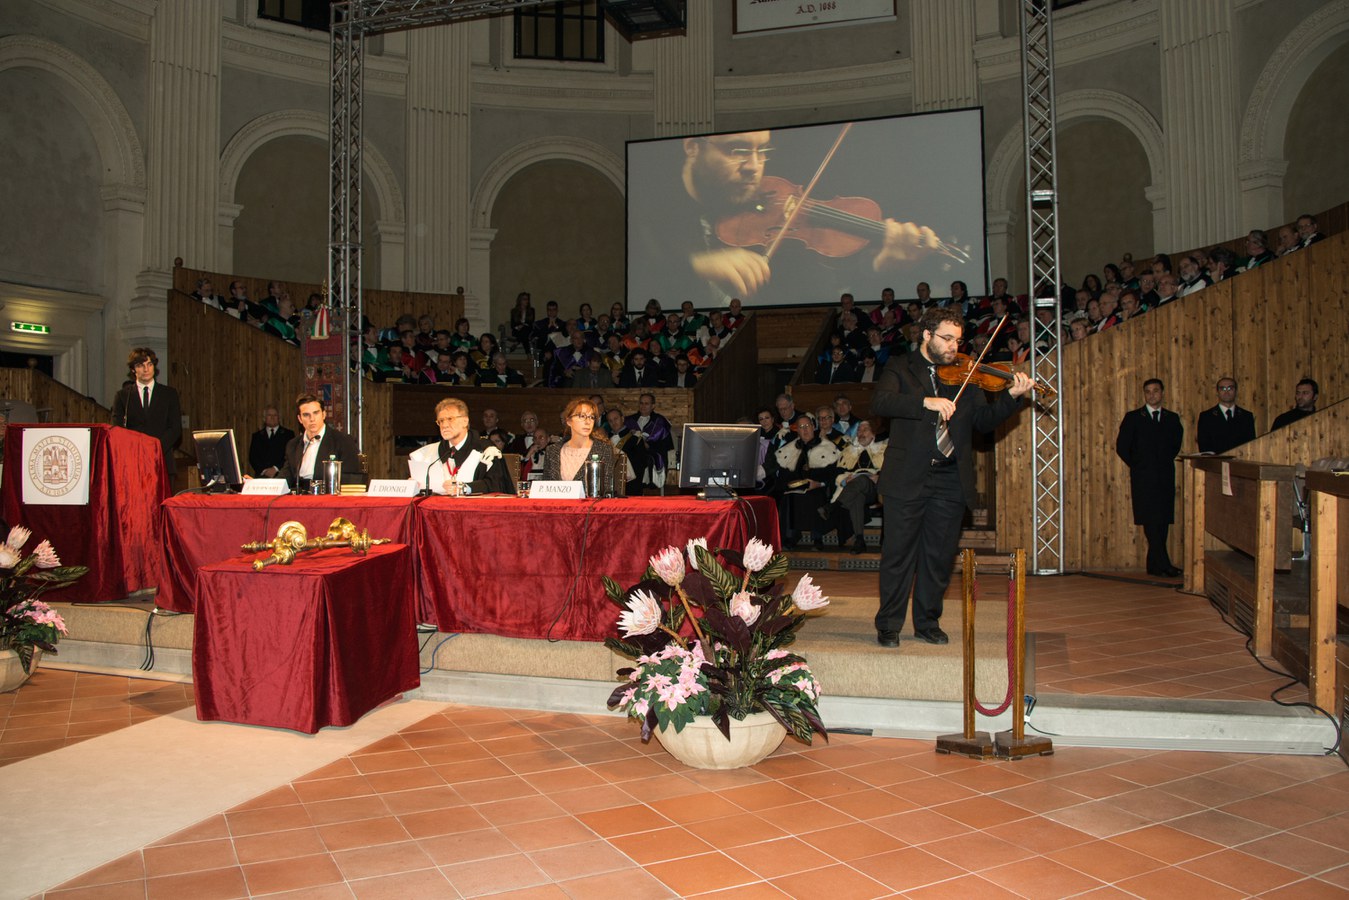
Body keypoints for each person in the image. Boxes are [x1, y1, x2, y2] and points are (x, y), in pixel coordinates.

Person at [632, 130, 944, 306]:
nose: (754, 167)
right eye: (738, 151)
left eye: (762, 152)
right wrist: (696, 265)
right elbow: (645, 268)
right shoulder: (648, 209)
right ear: (692, 147)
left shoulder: (771, 231)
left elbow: (817, 287)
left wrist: (877, 266)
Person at [871, 308, 1032, 648]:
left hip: (949, 478)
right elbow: (882, 402)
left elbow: (982, 421)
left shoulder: (966, 373)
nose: (954, 347)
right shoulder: (900, 366)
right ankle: (889, 624)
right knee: (898, 555)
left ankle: (927, 622)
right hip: (907, 476)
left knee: (939, 556)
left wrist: (1011, 398)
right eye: (946, 339)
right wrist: (925, 402)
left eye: (957, 340)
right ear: (926, 335)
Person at [1115, 378, 1184, 578]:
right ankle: (1164, 563)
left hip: (1165, 475)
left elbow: (1175, 444)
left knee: (1163, 520)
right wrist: (1139, 465)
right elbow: (1122, 447)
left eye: (1155, 391)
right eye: (1148, 391)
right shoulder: (1134, 418)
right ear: (1144, 394)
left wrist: (1161, 462)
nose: (1152, 395)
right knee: (1150, 520)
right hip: (1143, 477)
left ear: (1162, 393)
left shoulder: (1171, 418)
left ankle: (1154, 565)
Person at [408, 397, 513, 496]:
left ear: (465, 421)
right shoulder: (428, 453)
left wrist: (466, 488)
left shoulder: (486, 451)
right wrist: (414, 486)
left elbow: (496, 485)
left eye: (450, 419)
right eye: (441, 421)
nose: (444, 425)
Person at [111, 347, 183, 475]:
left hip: (162, 460)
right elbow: (117, 430)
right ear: (133, 369)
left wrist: (156, 448)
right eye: (140, 365)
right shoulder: (123, 396)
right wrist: (138, 450)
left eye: (149, 364)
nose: (146, 369)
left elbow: (175, 428)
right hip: (133, 462)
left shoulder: (169, 394)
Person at [276, 393, 361, 491]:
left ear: (323, 415)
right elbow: (285, 476)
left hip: (329, 495)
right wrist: (264, 486)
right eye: (306, 415)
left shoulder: (342, 441)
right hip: (300, 495)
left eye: (316, 413)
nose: (312, 419)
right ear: (300, 419)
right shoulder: (293, 445)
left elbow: (351, 478)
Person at [541, 397, 625, 497]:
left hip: (590, 506)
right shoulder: (552, 451)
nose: (588, 421)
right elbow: (545, 490)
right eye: (582, 416)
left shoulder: (603, 449)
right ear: (569, 421)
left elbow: (606, 490)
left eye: (591, 417)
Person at [826, 420, 887, 555]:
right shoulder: (848, 451)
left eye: (865, 430)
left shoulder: (884, 449)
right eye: (859, 430)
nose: (861, 433)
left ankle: (835, 506)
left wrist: (880, 477)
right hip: (853, 488)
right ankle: (859, 540)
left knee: (862, 479)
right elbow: (837, 472)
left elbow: (892, 471)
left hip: (876, 489)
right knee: (858, 496)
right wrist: (844, 480)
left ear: (873, 434)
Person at [622, 393, 674, 494]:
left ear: (653, 406)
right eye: (641, 403)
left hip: (652, 453)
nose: (643, 406)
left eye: (646, 403)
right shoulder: (629, 421)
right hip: (632, 454)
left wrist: (649, 446)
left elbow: (666, 445)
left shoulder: (660, 421)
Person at [1196, 377, 1256, 455]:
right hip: (1215, 461)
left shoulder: (1246, 416)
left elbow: (1251, 444)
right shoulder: (1206, 417)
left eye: (1230, 388)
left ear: (1236, 391)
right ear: (1217, 392)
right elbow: (1204, 447)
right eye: (1223, 389)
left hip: (1241, 460)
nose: (1226, 392)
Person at [247, 406, 294, 477]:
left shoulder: (288, 435)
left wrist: (275, 468)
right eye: (269, 415)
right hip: (262, 476)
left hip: (282, 475)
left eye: (275, 415)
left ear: (279, 418)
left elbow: (290, 455)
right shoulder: (257, 436)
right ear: (264, 418)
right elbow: (253, 457)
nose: (272, 417)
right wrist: (264, 470)